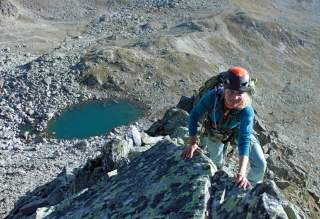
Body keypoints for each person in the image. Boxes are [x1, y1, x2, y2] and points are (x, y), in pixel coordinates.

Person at [182, 66, 266, 189]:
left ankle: (247, 188)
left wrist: (242, 172)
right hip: (215, 131)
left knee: (260, 165)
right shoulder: (213, 97)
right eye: (231, 92)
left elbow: (244, 139)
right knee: (215, 164)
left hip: (237, 131)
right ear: (224, 88)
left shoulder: (246, 109)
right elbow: (194, 115)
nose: (235, 97)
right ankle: (218, 178)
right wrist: (192, 143)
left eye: (240, 93)